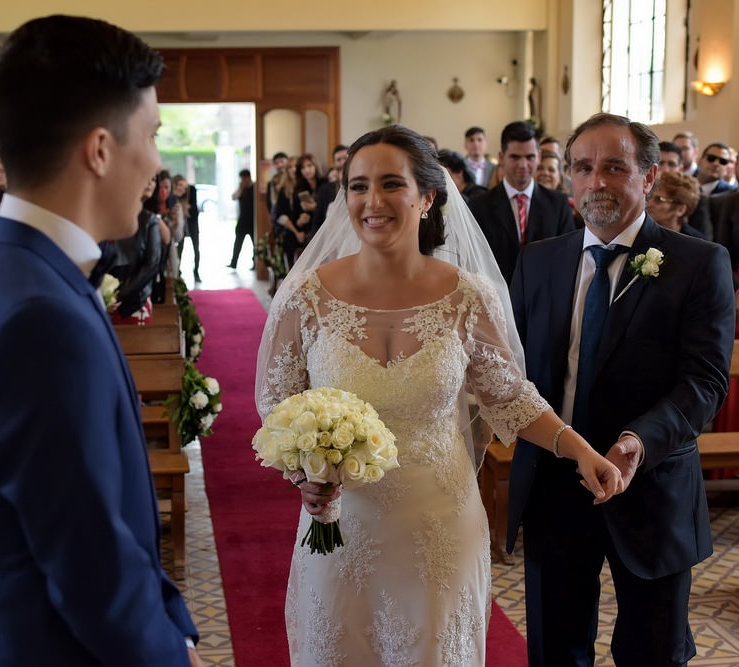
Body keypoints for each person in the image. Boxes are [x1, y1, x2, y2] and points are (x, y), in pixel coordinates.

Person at [256, 124, 622, 665]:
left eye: (389, 184)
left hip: (439, 526)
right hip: (341, 523)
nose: (372, 202)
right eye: (357, 186)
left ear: (427, 196)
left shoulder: (467, 296)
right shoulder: (307, 297)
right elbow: (279, 407)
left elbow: (510, 397)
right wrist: (303, 474)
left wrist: (581, 449)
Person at [0, 16, 201, 666]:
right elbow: (91, 566)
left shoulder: (19, 270)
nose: (158, 162)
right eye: (153, 136)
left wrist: (175, 626)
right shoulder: (35, 318)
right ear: (100, 149)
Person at [508, 113, 734, 666]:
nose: (596, 182)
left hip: (652, 486)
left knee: (652, 651)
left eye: (614, 167)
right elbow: (511, 371)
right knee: (556, 649)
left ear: (650, 177)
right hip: (555, 486)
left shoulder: (698, 263)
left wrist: (638, 440)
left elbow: (704, 380)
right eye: (582, 168)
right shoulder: (539, 262)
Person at [470, 120, 575, 283]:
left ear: (539, 157)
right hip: (497, 298)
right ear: (501, 157)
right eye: (515, 157)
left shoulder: (558, 204)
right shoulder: (479, 206)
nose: (523, 165)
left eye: (530, 157)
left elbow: (568, 257)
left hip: (545, 296)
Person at [108, 174, 164, 323]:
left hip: (134, 300)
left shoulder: (149, 218)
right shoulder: (110, 214)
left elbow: (152, 263)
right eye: (146, 178)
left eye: (153, 180)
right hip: (106, 296)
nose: (150, 184)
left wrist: (119, 293)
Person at [647, 170, 704, 238]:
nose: (648, 203)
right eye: (649, 196)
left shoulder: (696, 244)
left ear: (681, 210)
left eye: (659, 200)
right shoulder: (637, 230)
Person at [228, 168, 255, 269]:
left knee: (255, 244)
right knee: (238, 242)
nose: (242, 181)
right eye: (241, 179)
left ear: (248, 178)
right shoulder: (242, 189)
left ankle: (255, 263)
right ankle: (233, 263)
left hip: (252, 221)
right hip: (242, 220)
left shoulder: (254, 188)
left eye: (244, 179)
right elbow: (233, 197)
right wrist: (240, 188)